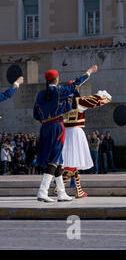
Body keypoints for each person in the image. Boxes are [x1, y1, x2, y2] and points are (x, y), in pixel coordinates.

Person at [34, 65, 98, 202]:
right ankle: (42, 190)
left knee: (59, 161)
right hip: (56, 126)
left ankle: (61, 192)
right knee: (54, 159)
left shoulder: (40, 94)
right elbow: (76, 84)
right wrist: (89, 72)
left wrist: (46, 122)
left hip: (45, 127)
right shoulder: (59, 91)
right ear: (56, 79)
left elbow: (36, 114)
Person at [57, 83, 111, 198]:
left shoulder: (61, 102)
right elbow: (98, 100)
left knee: (73, 162)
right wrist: (105, 95)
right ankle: (60, 187)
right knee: (72, 163)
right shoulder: (79, 101)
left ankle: (79, 190)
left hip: (65, 132)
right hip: (76, 133)